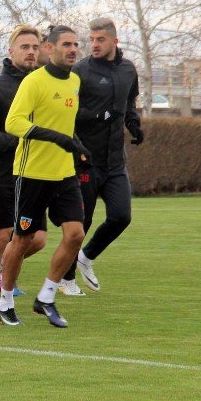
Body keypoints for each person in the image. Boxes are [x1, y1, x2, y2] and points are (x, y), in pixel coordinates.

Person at [0, 25, 91, 328]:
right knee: (23, 240)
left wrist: (78, 148)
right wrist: (55, 138)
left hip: (64, 173)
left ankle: (47, 297)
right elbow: (13, 122)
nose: (73, 49)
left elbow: (65, 126)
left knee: (76, 234)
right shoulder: (34, 82)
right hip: (32, 173)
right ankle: (5, 302)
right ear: (48, 49)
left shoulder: (75, 81)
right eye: (66, 44)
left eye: (76, 44)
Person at [61, 17, 142, 295]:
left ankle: (87, 257)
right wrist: (97, 115)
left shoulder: (128, 70)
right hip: (85, 159)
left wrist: (134, 124)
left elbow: (129, 103)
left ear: (114, 41)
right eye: (92, 39)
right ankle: (66, 279)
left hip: (115, 161)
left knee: (121, 216)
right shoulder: (80, 71)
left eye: (100, 40)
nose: (94, 44)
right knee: (81, 223)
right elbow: (68, 112)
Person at [0, 25, 42, 315]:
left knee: (36, 239)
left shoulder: (42, 86)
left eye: (35, 47)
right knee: (0, 237)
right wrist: (19, 143)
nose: (30, 52)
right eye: (24, 47)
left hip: (35, 175)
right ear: (11, 51)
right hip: (1, 175)